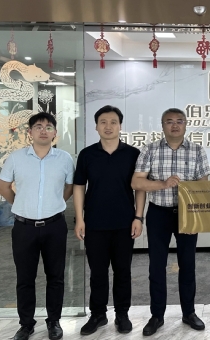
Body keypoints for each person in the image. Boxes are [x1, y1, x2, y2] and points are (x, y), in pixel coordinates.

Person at [131, 108, 210, 336]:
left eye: (179, 121)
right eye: (169, 122)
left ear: (186, 124)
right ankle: (157, 315)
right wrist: (163, 184)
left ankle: (189, 313)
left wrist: (196, 209)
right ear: (162, 125)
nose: (175, 125)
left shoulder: (197, 150)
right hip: (159, 213)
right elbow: (137, 183)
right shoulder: (150, 149)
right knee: (156, 267)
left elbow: (203, 185)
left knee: (188, 265)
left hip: (188, 214)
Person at [0, 112, 75, 340]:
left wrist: (55, 203)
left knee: (56, 277)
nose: (44, 130)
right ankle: (26, 324)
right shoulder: (16, 158)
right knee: (25, 278)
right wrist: (20, 204)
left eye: (49, 127)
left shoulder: (64, 159)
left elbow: (70, 188)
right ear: (29, 132)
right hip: (24, 227)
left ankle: (54, 322)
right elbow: (3, 186)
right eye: (38, 126)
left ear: (55, 133)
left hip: (54, 226)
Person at [73, 106, 146, 335]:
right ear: (96, 126)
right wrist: (79, 218)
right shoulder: (87, 154)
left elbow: (140, 188)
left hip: (125, 223)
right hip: (94, 223)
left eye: (113, 122)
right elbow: (79, 186)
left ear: (120, 126)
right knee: (97, 272)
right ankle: (98, 314)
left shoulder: (133, 154)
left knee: (123, 271)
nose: (108, 126)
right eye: (103, 122)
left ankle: (122, 314)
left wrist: (138, 217)